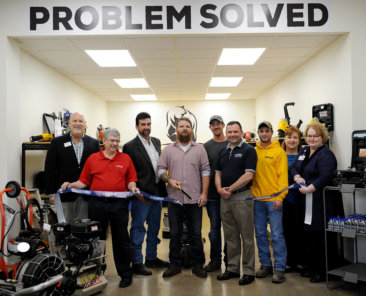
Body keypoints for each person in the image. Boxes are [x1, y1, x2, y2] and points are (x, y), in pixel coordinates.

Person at [61, 128, 138, 288]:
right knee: (96, 240)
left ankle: (125, 274)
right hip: (97, 205)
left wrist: (133, 187)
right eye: (112, 140)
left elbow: (131, 180)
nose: (115, 144)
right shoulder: (93, 159)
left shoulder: (125, 159)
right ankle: (97, 272)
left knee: (122, 240)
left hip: (119, 206)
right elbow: (83, 182)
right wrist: (70, 184)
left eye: (117, 141)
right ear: (104, 141)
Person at [157, 117, 210, 279]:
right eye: (181, 126)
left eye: (187, 126)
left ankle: (197, 265)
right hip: (175, 200)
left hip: (195, 200)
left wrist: (204, 194)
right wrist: (168, 180)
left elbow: (206, 171)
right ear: (176, 129)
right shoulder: (168, 150)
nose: (184, 128)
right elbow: (160, 169)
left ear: (191, 129)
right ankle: (174, 264)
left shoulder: (200, 149)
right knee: (175, 233)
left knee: (195, 233)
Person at [290, 123, 337, 283]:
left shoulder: (326, 154)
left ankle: (322, 270)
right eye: (309, 136)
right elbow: (294, 168)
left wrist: (311, 187)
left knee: (319, 235)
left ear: (322, 137)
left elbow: (326, 175)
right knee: (307, 234)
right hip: (303, 200)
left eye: (315, 136)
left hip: (318, 201)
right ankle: (311, 266)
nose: (312, 139)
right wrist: (297, 178)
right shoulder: (303, 151)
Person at [123, 112, 168, 276]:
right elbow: (128, 173)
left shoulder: (156, 141)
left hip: (157, 191)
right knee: (138, 228)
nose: (146, 127)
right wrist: (136, 193)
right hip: (141, 194)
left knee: (154, 227)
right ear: (137, 126)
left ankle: (151, 258)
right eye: (143, 124)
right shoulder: (129, 146)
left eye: (148, 124)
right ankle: (136, 262)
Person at [215, 121, 257, 286]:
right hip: (225, 198)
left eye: (235, 131)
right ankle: (232, 268)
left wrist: (230, 189)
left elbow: (249, 176)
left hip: (242, 197)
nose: (232, 134)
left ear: (241, 133)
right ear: (226, 133)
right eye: (230, 132)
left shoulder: (249, 150)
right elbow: (217, 173)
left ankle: (248, 271)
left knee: (246, 236)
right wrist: (219, 189)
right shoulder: (222, 151)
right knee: (230, 235)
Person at [44, 112, 100, 222]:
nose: (78, 124)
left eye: (81, 121)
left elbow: (97, 168)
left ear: (85, 124)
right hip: (64, 194)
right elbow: (49, 169)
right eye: (74, 121)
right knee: (65, 227)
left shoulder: (93, 143)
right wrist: (52, 193)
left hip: (86, 195)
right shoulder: (57, 142)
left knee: (83, 228)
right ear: (69, 123)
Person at [251, 121, 288, 284]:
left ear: (271, 133)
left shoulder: (279, 152)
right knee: (260, 234)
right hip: (257, 200)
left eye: (267, 131)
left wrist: (280, 197)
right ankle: (266, 265)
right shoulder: (253, 152)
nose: (264, 134)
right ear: (258, 133)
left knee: (277, 235)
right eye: (261, 131)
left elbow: (283, 177)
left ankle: (279, 268)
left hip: (274, 200)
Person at [203, 115, 228, 272]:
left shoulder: (232, 143)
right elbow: (203, 170)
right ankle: (215, 260)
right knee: (214, 229)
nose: (216, 126)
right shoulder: (206, 146)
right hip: (212, 195)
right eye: (213, 125)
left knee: (230, 229)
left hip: (230, 194)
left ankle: (230, 260)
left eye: (218, 124)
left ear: (223, 125)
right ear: (210, 128)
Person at [281, 126, 302, 273]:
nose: (292, 140)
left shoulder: (305, 155)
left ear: (299, 140)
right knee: (286, 231)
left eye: (295, 137)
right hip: (284, 199)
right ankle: (288, 261)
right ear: (285, 139)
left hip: (301, 199)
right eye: (289, 137)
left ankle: (300, 261)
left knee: (300, 231)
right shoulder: (280, 155)